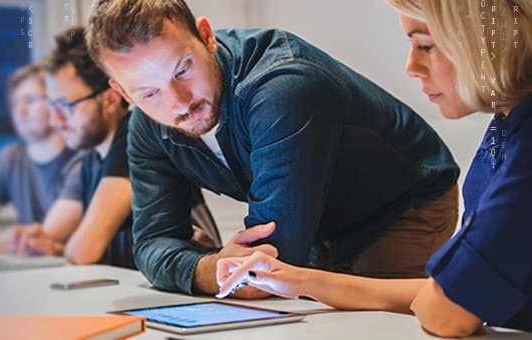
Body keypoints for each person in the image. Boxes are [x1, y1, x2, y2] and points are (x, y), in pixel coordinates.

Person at [85, 0, 460, 298]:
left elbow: (267, 266)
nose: (178, 102)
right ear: (122, 94)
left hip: (401, 207)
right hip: (316, 224)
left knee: (373, 327)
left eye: (182, 70)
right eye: (148, 92)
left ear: (206, 37)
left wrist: (216, 270)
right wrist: (211, 269)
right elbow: (152, 243)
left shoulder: (283, 87)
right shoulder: (146, 125)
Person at [215, 0, 532, 336]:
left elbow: (448, 313)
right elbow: (448, 290)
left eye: (426, 45)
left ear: (486, 38)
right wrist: (296, 279)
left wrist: (442, 296)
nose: (411, 66)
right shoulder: (507, 124)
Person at [16, 27, 221, 269]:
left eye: (66, 106)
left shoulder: (132, 139)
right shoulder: (93, 158)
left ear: (111, 99)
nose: (56, 120)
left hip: (194, 287)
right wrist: (54, 247)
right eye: (53, 107)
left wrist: (64, 249)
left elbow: (85, 251)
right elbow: (69, 244)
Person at [0, 64, 83, 254]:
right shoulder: (10, 158)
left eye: (29, 100)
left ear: (55, 101)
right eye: (14, 103)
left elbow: (40, 240)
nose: (20, 111)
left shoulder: (82, 159)